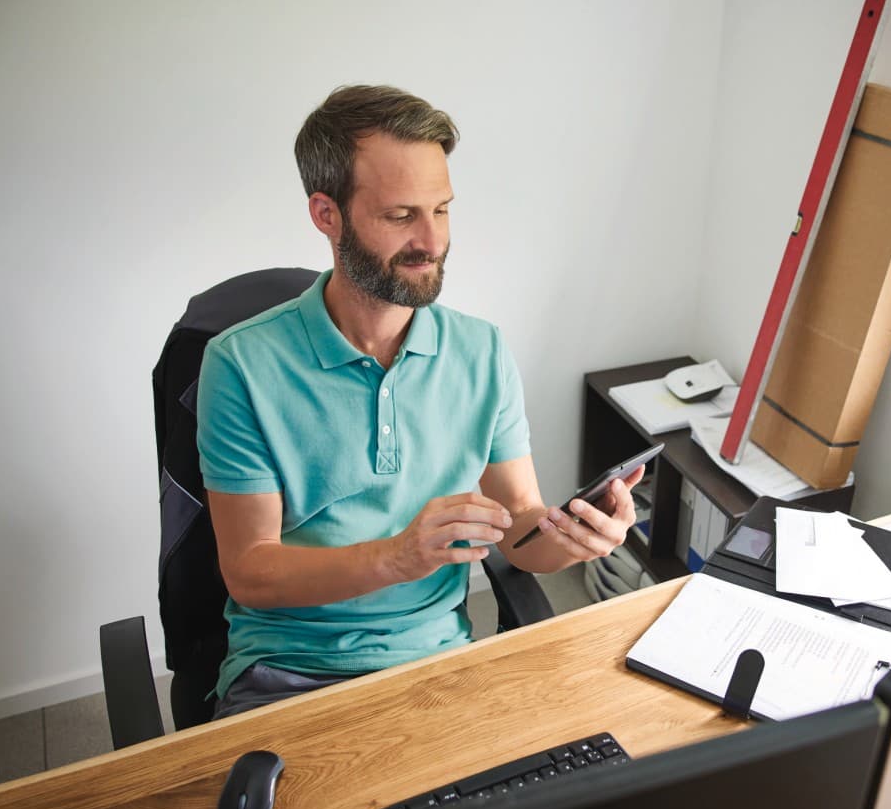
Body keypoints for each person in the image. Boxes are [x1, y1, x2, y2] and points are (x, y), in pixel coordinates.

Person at [197, 84, 644, 719]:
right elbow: (251, 571)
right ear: (327, 214)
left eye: (442, 209)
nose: (432, 241)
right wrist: (397, 557)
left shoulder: (481, 351)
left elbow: (520, 529)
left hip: (437, 667)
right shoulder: (241, 364)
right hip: (290, 672)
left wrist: (575, 540)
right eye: (401, 216)